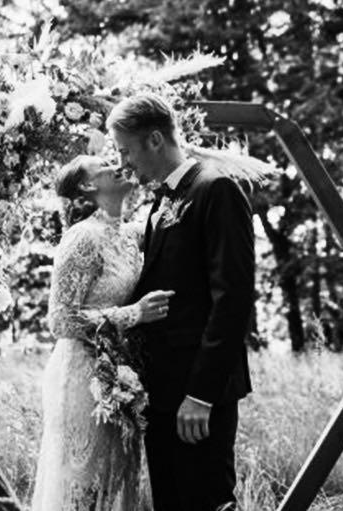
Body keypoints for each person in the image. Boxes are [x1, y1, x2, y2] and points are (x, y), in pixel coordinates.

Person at [106, 93, 255, 511]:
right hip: (163, 392)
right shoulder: (162, 200)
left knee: (207, 502)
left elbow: (233, 299)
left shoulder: (216, 189)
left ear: (155, 140)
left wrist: (202, 395)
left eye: (125, 150)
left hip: (198, 395)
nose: (123, 163)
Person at [30, 154, 173, 511]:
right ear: (88, 185)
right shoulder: (83, 237)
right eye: (106, 163)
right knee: (83, 488)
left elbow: (173, 220)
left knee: (113, 485)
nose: (118, 163)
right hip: (81, 376)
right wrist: (134, 314)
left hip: (120, 375)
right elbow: (60, 320)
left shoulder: (130, 233)